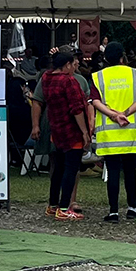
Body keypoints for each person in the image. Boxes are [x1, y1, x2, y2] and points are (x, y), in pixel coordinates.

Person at [88, 42, 136, 223]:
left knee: (113, 172)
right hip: (131, 132)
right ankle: (132, 208)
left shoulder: (98, 77)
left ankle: (114, 211)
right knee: (130, 170)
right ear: (123, 57)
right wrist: (126, 113)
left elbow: (95, 101)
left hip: (110, 134)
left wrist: (114, 115)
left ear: (106, 58)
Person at [40, 51, 90, 220]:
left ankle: (52, 205)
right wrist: (84, 131)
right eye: (72, 64)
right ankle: (64, 207)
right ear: (67, 65)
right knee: (71, 168)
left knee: (58, 168)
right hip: (71, 130)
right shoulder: (69, 81)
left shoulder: (46, 78)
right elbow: (76, 109)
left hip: (56, 128)